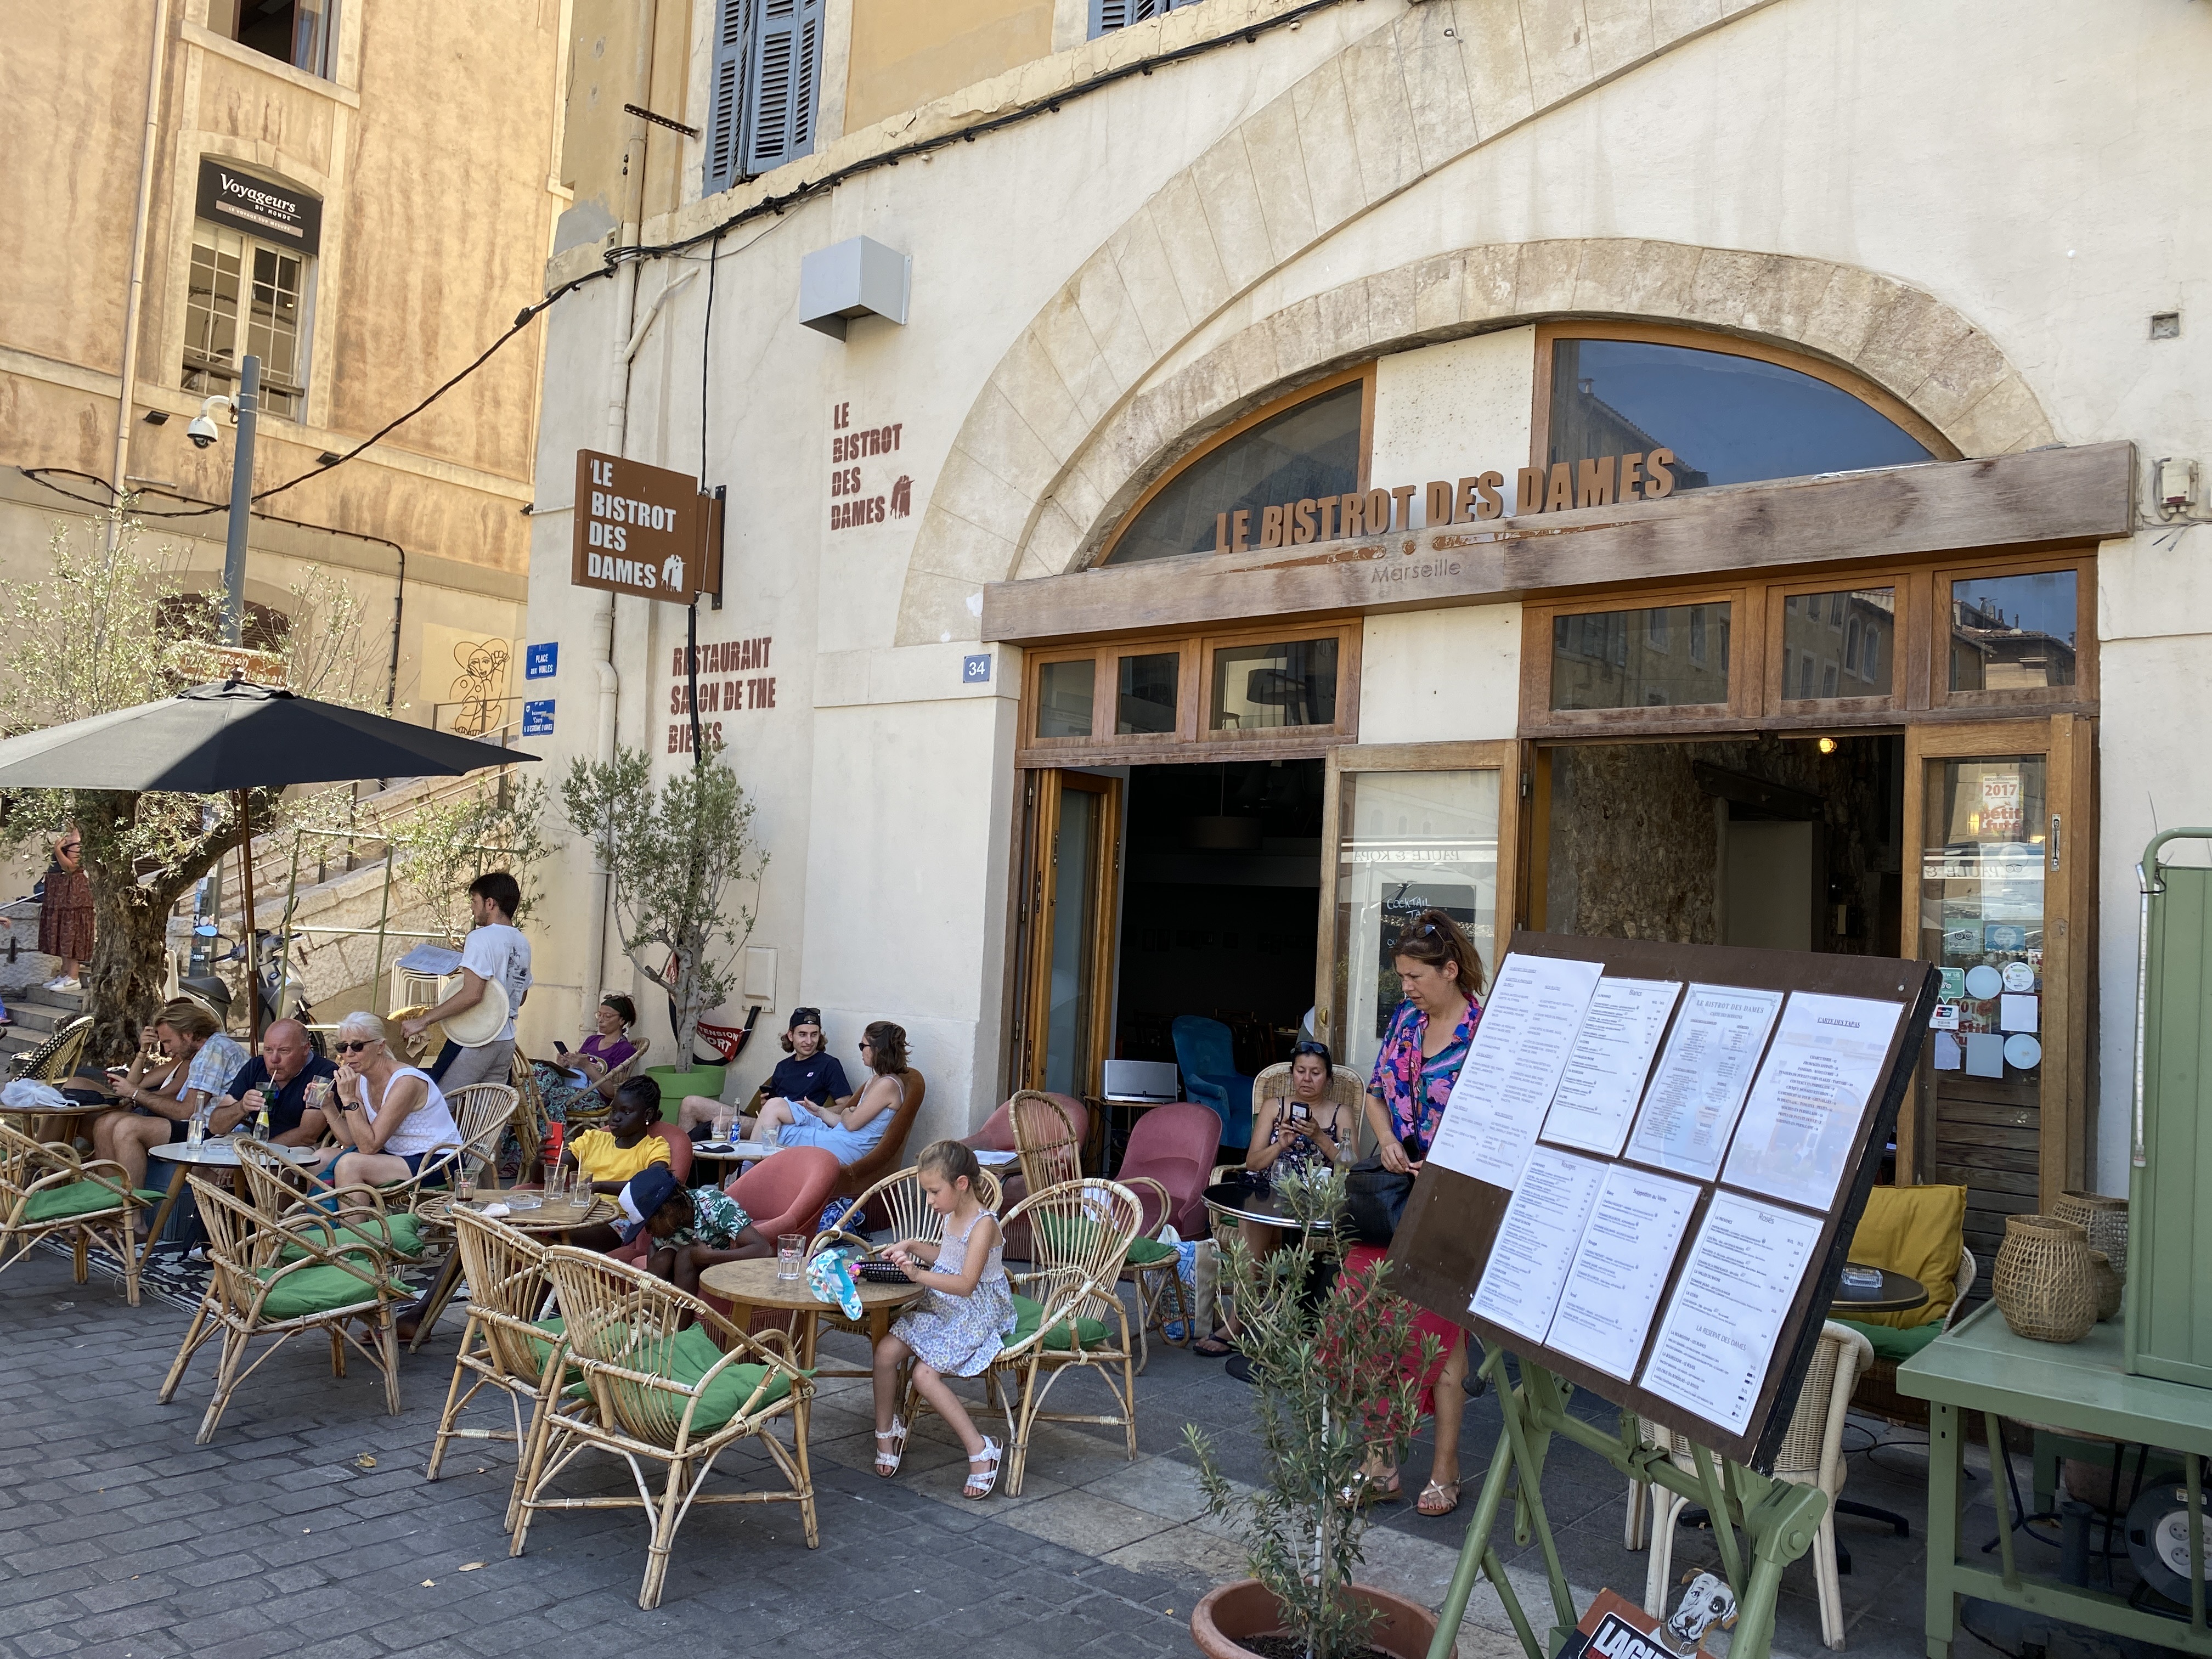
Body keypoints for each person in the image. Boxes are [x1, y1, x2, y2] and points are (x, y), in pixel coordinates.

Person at [1357, 908, 1487, 1517]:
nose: (1405, 987)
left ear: (1450, 971)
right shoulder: (1405, 1022)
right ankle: (1380, 1463)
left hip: (1455, 1204)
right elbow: (1375, 1095)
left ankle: (1445, 1469)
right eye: (1401, 976)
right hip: (1396, 1199)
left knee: (1442, 1339)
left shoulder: (1485, 1033)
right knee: (1375, 1324)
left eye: (1415, 976)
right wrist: (1385, 1138)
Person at [1193, 1039, 1354, 1358]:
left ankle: (1284, 1320)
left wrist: (1319, 1137)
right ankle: (1240, 1319)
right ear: (1292, 1073)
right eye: (1301, 1071)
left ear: (1328, 1078)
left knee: (1259, 1220)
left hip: (1316, 1205)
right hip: (1271, 1199)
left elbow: (1351, 1166)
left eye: (1316, 1073)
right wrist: (1280, 1144)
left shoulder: (1341, 1113)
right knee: (1252, 1217)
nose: (1307, 1079)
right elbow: (1252, 1163)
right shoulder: (1274, 1107)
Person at [871, 1141, 1013, 1500]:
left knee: (924, 1375)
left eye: (934, 1192)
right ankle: (887, 1431)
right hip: (946, 1306)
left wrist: (917, 1274)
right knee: (885, 1352)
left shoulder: (983, 1225)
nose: (930, 1201)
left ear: (961, 1184)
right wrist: (912, 1246)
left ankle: (981, 1449)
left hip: (976, 1312)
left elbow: (966, 1283)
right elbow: (948, 1257)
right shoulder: (952, 1214)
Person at [89, 996, 248, 1189]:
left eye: (168, 1041)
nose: (166, 1049)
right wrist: (136, 1090)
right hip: (198, 1124)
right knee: (105, 1123)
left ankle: (132, 1207)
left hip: (214, 1131)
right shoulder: (206, 1050)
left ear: (188, 1034)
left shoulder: (214, 1051)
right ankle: (111, 1200)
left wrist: (136, 1094)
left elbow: (187, 1112)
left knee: (127, 1128)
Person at [403, 871, 532, 1093]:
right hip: (506, 1041)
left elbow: (473, 994)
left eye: (474, 901)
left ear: (489, 903)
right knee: (488, 1109)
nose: (472, 908)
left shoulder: (479, 937)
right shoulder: (522, 942)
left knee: (439, 1101)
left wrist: (423, 1021)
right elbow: (520, 997)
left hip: (476, 1039)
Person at [317, 1011, 463, 1190]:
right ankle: (320, 1210)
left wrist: (348, 1099)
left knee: (350, 1164)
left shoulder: (405, 1081)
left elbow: (369, 1147)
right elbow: (352, 1141)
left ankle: (356, 1211)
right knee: (320, 1158)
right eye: (342, 1047)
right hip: (394, 1156)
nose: (348, 1054)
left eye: (357, 1046)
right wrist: (328, 1107)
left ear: (380, 1047)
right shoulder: (361, 1080)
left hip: (437, 1161)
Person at [576, 1165, 770, 1299]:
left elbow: (764, 1250)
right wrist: (654, 1269)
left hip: (723, 1263)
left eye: (649, 1225)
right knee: (664, 1257)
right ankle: (655, 1317)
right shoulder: (669, 1223)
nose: (649, 1232)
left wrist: (710, 1256)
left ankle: (678, 1330)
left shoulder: (713, 1205)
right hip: (688, 1266)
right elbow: (654, 1246)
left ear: (667, 1210)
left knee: (686, 1255)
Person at [749, 1019, 906, 1164]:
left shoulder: (888, 1085)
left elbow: (851, 1124)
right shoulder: (876, 1079)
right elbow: (848, 1122)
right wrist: (819, 1111)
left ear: (877, 1050)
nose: (861, 1051)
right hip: (839, 1136)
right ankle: (748, 1173)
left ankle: (746, 1175)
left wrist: (848, 1111)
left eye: (862, 1046)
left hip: (848, 1147)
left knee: (777, 1132)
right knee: (775, 1106)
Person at [681, 1006, 848, 1139]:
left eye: (814, 1035)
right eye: (803, 1035)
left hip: (790, 1127)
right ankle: (682, 1164)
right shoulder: (783, 1066)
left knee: (722, 1123)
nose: (809, 1041)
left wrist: (817, 1111)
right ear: (791, 1036)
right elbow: (772, 1103)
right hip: (764, 1119)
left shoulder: (829, 1065)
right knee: (690, 1103)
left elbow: (847, 1106)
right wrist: (766, 1103)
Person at [212, 1018, 339, 1145]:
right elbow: (215, 1127)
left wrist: (261, 1150)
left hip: (300, 1148)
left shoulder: (324, 1072)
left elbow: (308, 1135)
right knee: (210, 1149)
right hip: (257, 1139)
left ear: (306, 1049)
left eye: (284, 1051)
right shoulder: (256, 1067)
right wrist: (242, 1107)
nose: (274, 1059)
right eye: (268, 1050)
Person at [531, 994, 641, 1132]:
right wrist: (566, 1064)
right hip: (571, 1086)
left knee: (549, 1097)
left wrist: (586, 1065)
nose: (601, 1020)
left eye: (607, 1016)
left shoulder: (624, 1049)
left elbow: (611, 1092)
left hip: (594, 1097)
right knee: (540, 1070)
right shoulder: (592, 1040)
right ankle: (528, 1123)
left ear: (622, 1020)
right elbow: (578, 1069)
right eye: (599, 1015)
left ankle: (543, 1135)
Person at [557, 1077, 671, 1193]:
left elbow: (654, 1183)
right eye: (614, 1111)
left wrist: (599, 1187)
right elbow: (554, 1170)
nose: (615, 1118)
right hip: (582, 1204)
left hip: (616, 1206)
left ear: (647, 1115)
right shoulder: (592, 1139)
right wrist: (546, 1156)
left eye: (626, 1112)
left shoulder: (654, 1148)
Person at [38, 828, 92, 992]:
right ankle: (65, 974)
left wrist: (57, 850)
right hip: (62, 892)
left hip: (73, 892)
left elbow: (72, 867)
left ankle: (73, 977)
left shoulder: (78, 841)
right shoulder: (68, 838)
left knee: (72, 932)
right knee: (63, 932)